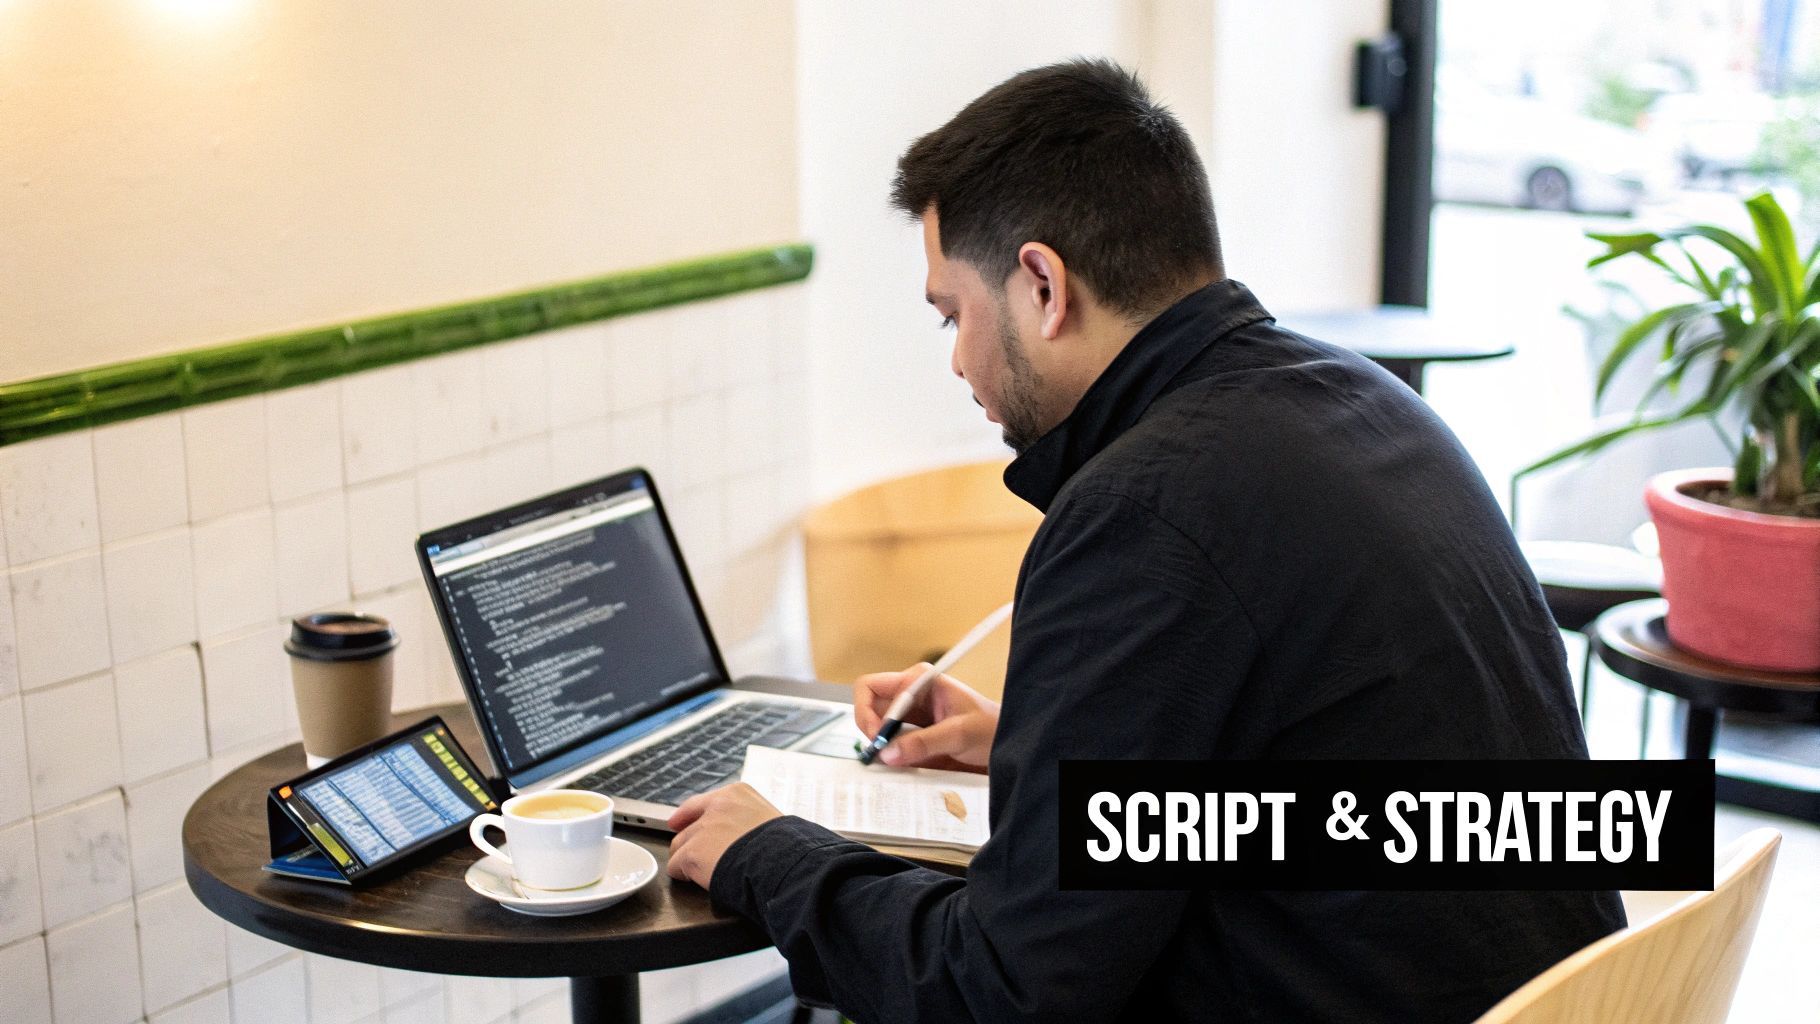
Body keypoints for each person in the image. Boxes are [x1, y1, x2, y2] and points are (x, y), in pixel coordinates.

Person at [665, 58, 1625, 1023]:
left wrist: (773, 854)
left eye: (954, 314)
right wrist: (1043, 755)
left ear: (1042, 284)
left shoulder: (1142, 510)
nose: (957, 358)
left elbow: (997, 993)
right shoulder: (1370, 404)